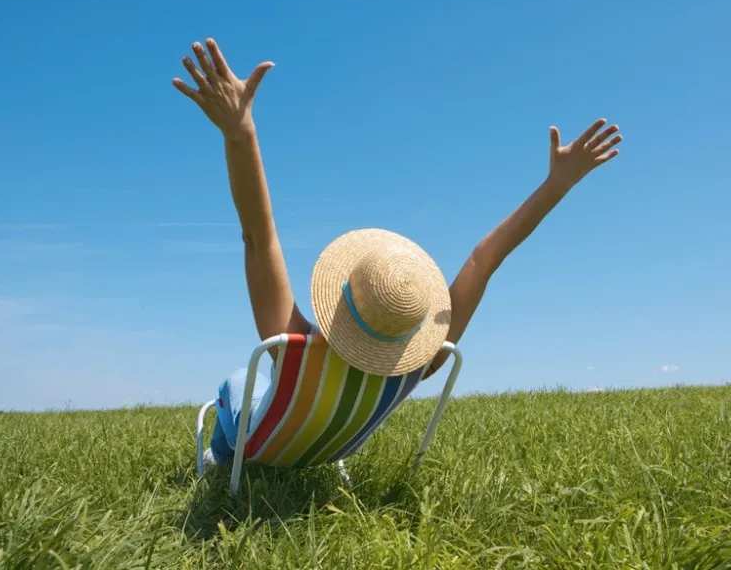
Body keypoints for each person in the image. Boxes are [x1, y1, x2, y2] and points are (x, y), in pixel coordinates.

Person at [173, 39, 623, 466]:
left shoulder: (294, 353)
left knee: (238, 383)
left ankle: (221, 458)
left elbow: (258, 237)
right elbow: (485, 261)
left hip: (265, 445)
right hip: (334, 449)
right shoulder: (420, 367)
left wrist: (240, 133)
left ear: (340, 297)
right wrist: (557, 185)